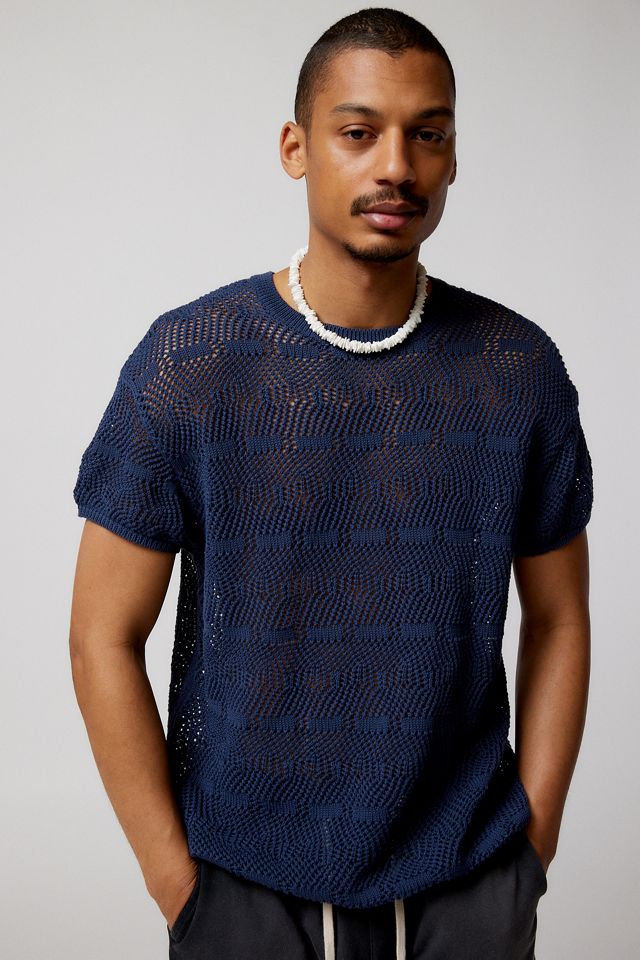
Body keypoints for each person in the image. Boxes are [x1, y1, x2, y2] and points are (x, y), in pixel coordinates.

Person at [69, 8, 594, 959]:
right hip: (242, 887)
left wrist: (531, 850)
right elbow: (101, 634)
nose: (396, 165)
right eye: (359, 132)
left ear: (453, 158)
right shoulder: (191, 363)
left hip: (469, 882)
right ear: (296, 147)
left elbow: (559, 617)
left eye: (427, 134)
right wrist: (177, 884)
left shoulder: (516, 369)